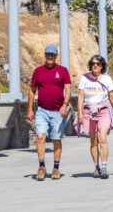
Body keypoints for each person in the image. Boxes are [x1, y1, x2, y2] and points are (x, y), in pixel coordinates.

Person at [26, 43, 71, 181]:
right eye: (48, 54)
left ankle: (56, 168)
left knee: (56, 139)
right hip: (42, 111)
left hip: (58, 111)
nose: (50, 57)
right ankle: (41, 167)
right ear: (45, 55)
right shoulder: (38, 71)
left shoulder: (63, 71)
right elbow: (32, 91)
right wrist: (29, 109)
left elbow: (68, 89)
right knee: (40, 137)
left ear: (56, 56)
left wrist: (65, 104)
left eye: (52, 54)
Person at [76, 54, 113, 179]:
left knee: (102, 138)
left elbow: (112, 97)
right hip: (88, 112)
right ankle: (96, 166)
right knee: (93, 141)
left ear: (102, 66)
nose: (95, 66)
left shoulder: (107, 79)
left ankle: (104, 167)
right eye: (93, 64)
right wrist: (80, 114)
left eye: (98, 64)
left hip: (103, 111)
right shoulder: (84, 79)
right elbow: (80, 97)